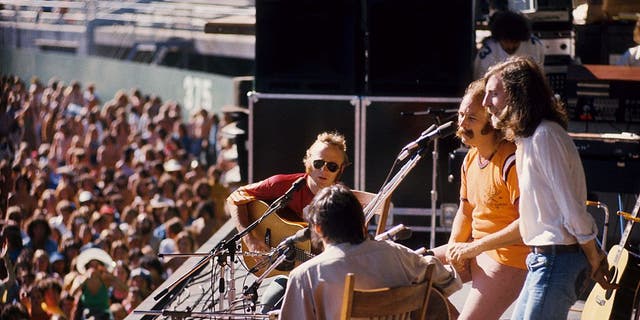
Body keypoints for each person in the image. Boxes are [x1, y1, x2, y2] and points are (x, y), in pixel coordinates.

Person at [482, 56, 615, 319]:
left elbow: (573, 210)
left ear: (518, 95)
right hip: (542, 260)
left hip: (556, 260)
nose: (486, 104)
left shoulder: (545, 136)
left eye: (494, 94)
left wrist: (594, 257)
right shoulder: (527, 139)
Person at [278, 184, 461, 320]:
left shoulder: (306, 275)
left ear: (318, 228)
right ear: (361, 222)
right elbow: (449, 282)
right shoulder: (398, 254)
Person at [431, 79, 528, 319]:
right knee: (410, 275)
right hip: (475, 248)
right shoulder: (470, 159)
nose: (461, 123)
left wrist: (472, 248)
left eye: (471, 118)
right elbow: (465, 212)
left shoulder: (512, 161)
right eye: (461, 115)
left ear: (494, 123)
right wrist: (455, 248)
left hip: (510, 258)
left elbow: (526, 226)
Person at [227, 131, 349, 255]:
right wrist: (249, 239)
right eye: (318, 163)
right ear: (308, 160)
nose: (324, 170)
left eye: (332, 166)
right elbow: (235, 198)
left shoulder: (344, 204)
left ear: (341, 169)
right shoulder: (281, 185)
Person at [474, 10, 545, 79]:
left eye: (515, 41)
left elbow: (539, 79)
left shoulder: (535, 46)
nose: (511, 46)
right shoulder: (486, 55)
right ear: (498, 39)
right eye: (506, 41)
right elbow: (480, 84)